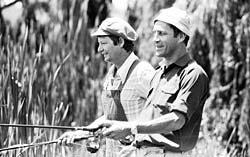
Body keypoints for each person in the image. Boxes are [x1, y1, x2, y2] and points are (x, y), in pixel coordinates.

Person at [92, 7, 210, 157]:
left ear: (180, 36)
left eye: (162, 33)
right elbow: (148, 117)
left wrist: (130, 128)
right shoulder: (158, 74)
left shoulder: (193, 73)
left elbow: (176, 120)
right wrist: (136, 146)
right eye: (155, 33)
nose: (155, 39)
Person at [58, 17, 155, 157]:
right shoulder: (111, 74)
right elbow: (110, 117)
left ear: (120, 42)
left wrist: (136, 143)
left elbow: (162, 116)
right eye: (99, 44)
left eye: (103, 43)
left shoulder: (143, 73)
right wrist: (81, 133)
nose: (99, 49)